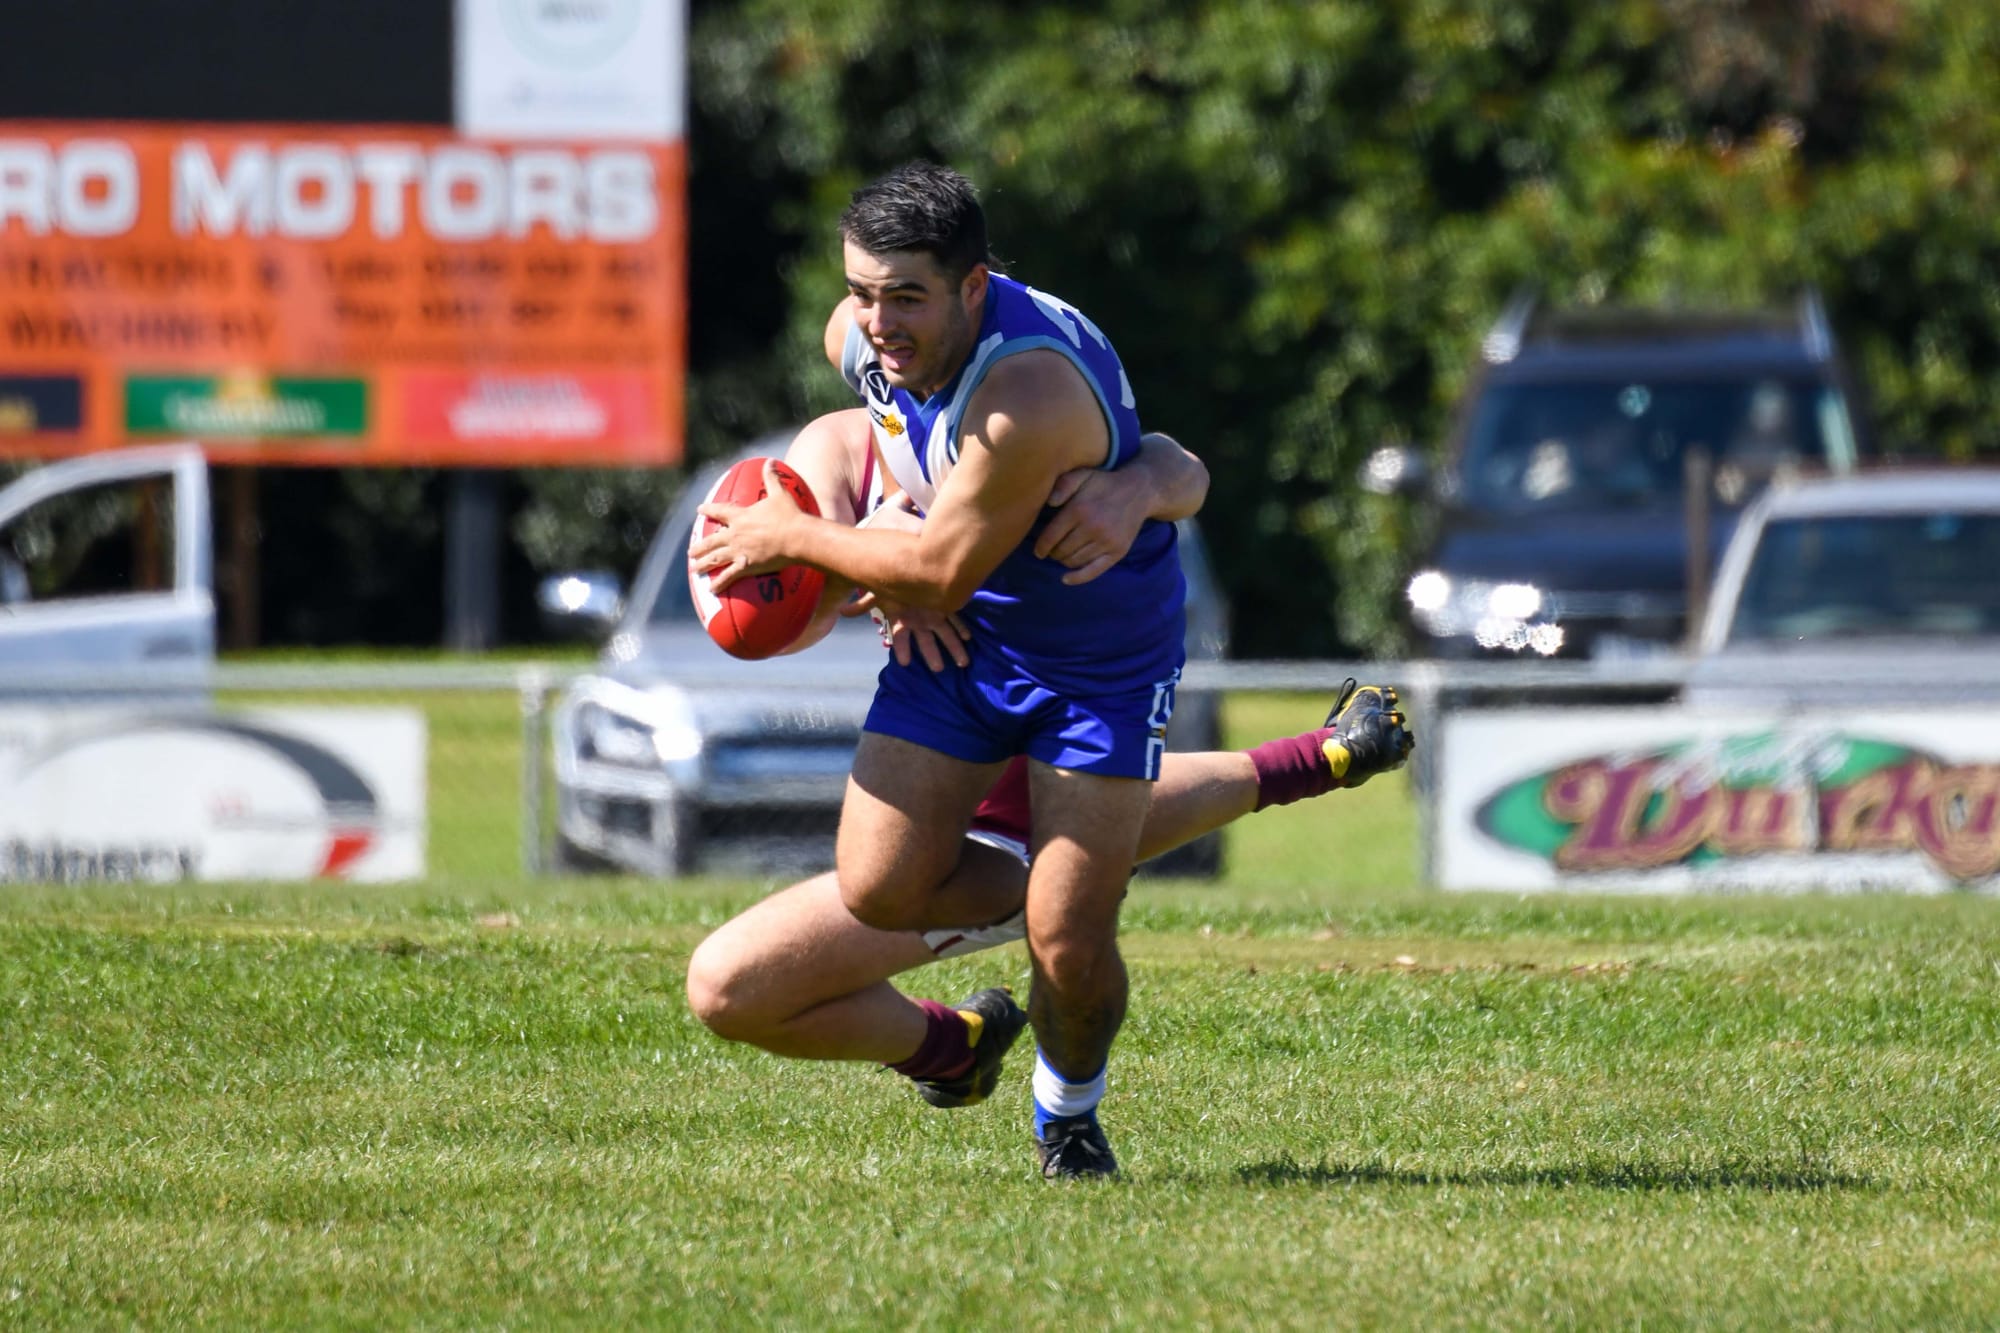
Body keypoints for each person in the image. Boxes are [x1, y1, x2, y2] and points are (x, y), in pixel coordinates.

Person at [690, 161, 1406, 1179]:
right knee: (881, 887)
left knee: (1066, 942)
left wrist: (806, 542)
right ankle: (971, 1022)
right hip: (964, 641)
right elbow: (858, 437)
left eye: (905, 297)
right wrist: (852, 517)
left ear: (972, 287)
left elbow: (944, 562)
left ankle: (1066, 1114)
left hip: (1093, 662)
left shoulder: (1018, 392)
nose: (875, 321)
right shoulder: (868, 337)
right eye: (860, 291)